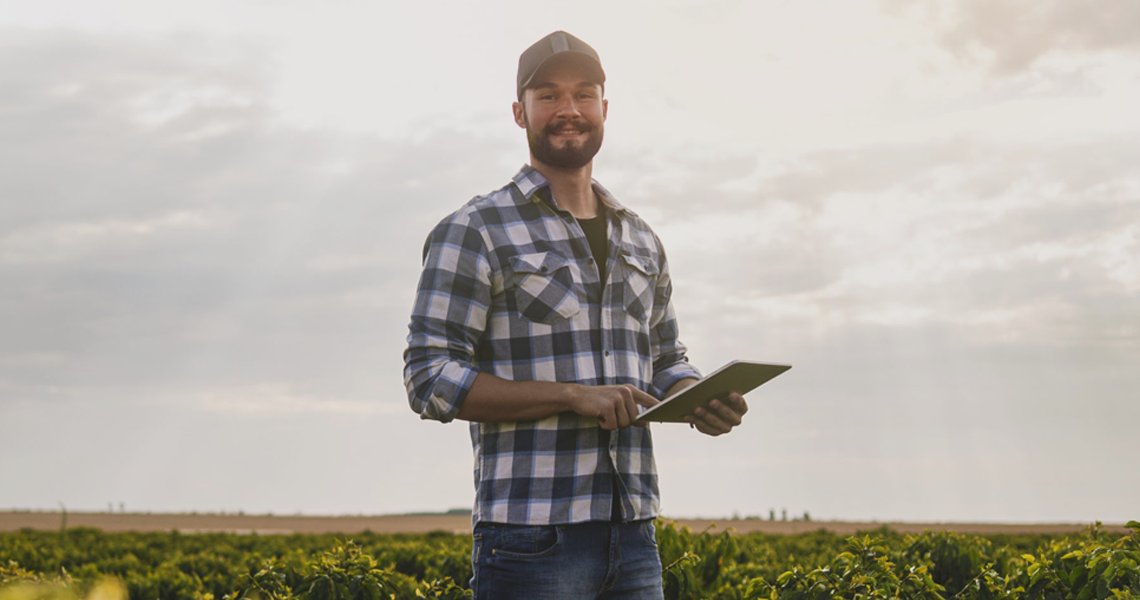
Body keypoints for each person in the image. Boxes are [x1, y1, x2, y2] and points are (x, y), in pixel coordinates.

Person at [403, 30, 748, 600]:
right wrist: (570, 395)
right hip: (531, 538)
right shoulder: (475, 230)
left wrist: (696, 394)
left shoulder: (641, 237)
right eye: (548, 96)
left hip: (635, 534)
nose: (569, 110)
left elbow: (665, 357)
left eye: (584, 94)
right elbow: (429, 379)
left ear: (604, 109)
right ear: (520, 113)